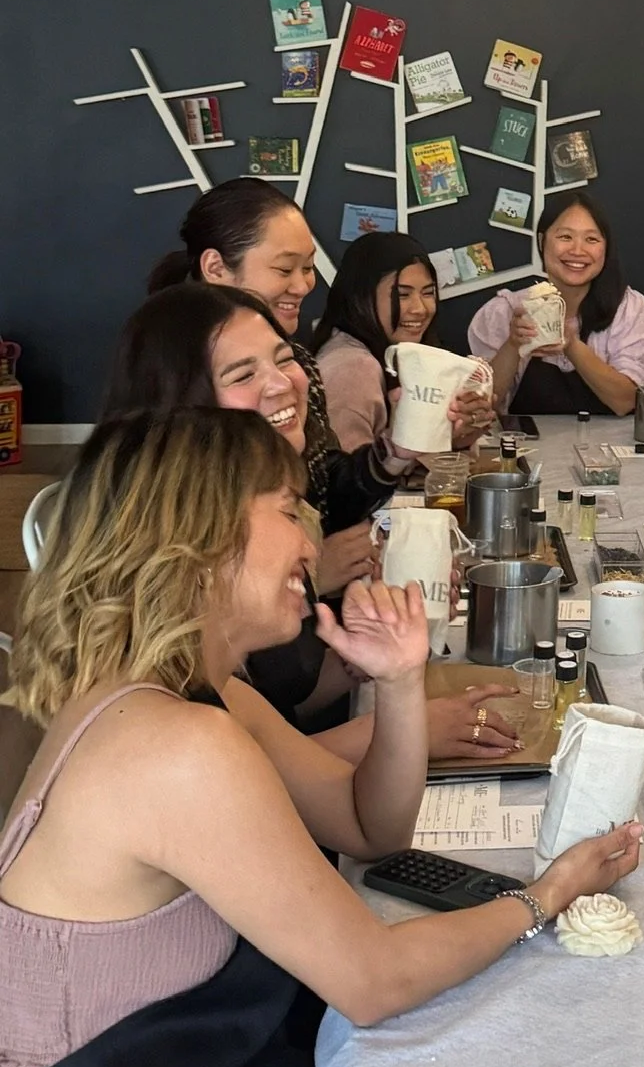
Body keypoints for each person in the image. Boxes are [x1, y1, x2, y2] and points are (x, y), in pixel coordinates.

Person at [0, 409, 641, 1067]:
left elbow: (366, 826)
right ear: (201, 532)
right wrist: (546, 896)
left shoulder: (195, 694)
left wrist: (401, 683)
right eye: (284, 509)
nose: (312, 542)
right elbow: (371, 982)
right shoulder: (173, 748)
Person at [101, 284, 517, 761]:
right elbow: (242, 771)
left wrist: (376, 646)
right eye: (242, 374)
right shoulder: (168, 564)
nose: (283, 384)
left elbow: (287, 700)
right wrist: (405, 729)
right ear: (182, 403)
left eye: (284, 359)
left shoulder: (267, 506)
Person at [149, 181, 496, 582]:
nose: (303, 285)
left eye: (308, 267)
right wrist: (307, 575)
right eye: (284, 269)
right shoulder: (171, 375)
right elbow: (172, 573)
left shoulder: (298, 363)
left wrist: (394, 450)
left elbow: (324, 492)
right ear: (216, 269)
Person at [468, 191, 644, 418]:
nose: (577, 251)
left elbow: (625, 401)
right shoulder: (504, 310)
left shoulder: (628, 309)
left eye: (591, 239)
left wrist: (571, 345)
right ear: (541, 241)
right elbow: (481, 405)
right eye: (565, 237)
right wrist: (514, 344)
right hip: (526, 448)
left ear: (606, 248)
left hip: (607, 450)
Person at [315, 230, 451, 452]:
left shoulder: (394, 354)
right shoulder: (353, 367)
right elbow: (353, 476)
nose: (420, 309)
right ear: (361, 297)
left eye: (428, 293)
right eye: (402, 295)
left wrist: (460, 429)